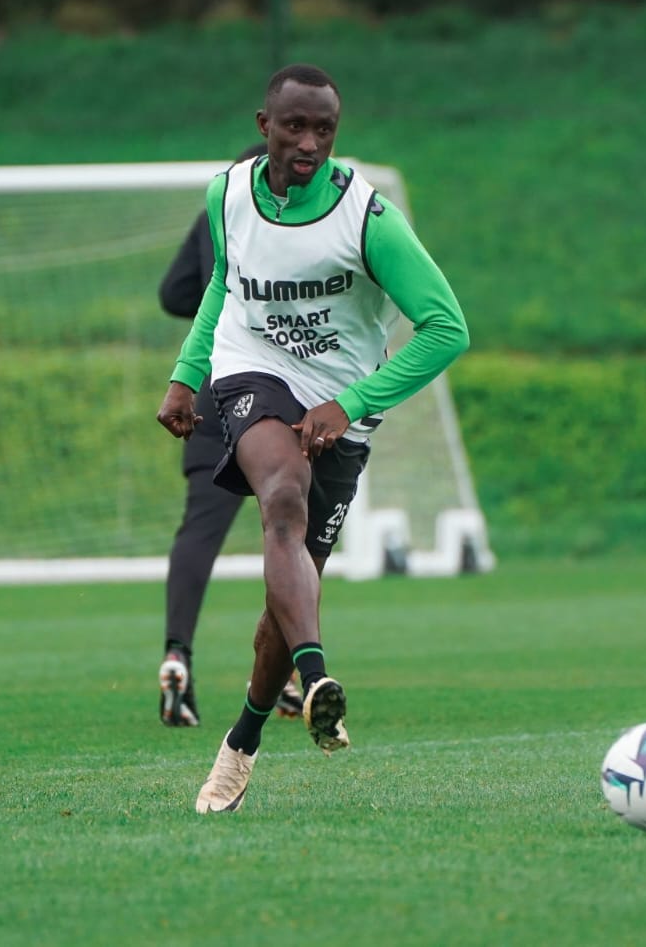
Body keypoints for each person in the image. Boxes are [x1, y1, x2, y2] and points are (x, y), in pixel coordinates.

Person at [156, 64, 469, 813]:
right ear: (264, 124)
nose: (308, 142)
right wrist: (185, 374)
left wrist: (351, 401)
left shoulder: (367, 218)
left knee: (283, 601)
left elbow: (447, 328)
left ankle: (242, 740)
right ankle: (320, 673)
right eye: (294, 126)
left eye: (323, 130)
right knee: (281, 493)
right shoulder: (226, 194)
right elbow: (223, 288)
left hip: (342, 405)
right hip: (250, 375)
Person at [154, 143, 305, 729]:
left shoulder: (221, 209)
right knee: (292, 533)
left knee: (200, 529)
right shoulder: (304, 218)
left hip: (215, 390)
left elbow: (173, 293)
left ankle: (177, 652)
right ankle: (284, 675)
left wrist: (224, 314)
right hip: (281, 391)